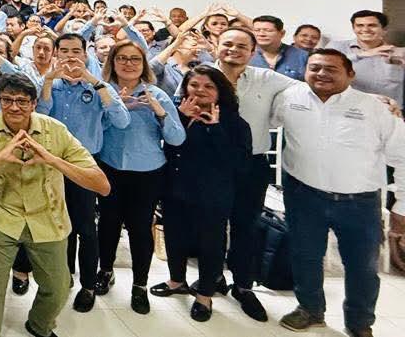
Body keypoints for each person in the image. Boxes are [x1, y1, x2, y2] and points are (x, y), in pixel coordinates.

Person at [0, 74, 111, 337]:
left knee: (59, 287)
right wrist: (0, 156)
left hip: (48, 218)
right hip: (1, 216)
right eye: (7, 100)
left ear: (34, 103)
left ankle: (39, 325)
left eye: (22, 101)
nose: (14, 107)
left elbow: (101, 185)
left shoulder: (55, 130)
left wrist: (51, 159)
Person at [270, 49, 405, 337]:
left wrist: (401, 206)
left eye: (330, 69)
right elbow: (265, 120)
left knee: (361, 267)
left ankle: (360, 323)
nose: (321, 74)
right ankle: (310, 309)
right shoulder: (289, 98)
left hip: (359, 203)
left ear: (350, 74)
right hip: (303, 196)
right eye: (315, 68)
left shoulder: (374, 108)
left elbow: (402, 156)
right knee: (305, 257)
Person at [35, 33, 130, 313]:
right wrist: (48, 81)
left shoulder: (99, 84)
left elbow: (121, 120)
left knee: (86, 228)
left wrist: (94, 82)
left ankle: (88, 285)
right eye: (64, 50)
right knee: (59, 225)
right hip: (52, 163)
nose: (70, 56)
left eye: (76, 50)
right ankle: (63, 277)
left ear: (85, 53)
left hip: (85, 163)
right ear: (56, 54)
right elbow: (40, 116)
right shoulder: (49, 82)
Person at [151, 65, 252, 322]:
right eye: (194, 85)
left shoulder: (235, 122)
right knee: (174, 237)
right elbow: (170, 149)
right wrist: (180, 120)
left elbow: (239, 164)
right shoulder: (178, 115)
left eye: (209, 86)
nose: (200, 91)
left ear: (220, 91)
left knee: (211, 243)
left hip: (213, 195)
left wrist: (214, 128)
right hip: (176, 190)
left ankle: (205, 295)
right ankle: (176, 281)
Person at [210, 27, 295, 321]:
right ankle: (212, 277)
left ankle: (243, 285)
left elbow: (305, 88)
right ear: (216, 45)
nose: (233, 50)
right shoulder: (202, 75)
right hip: (211, 165)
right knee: (211, 225)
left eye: (241, 46)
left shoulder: (267, 78)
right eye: (227, 44)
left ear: (252, 51)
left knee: (246, 226)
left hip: (252, 164)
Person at [96, 41, 185, 314]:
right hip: (109, 168)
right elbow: (93, 129)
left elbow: (177, 138)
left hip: (147, 172)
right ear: (112, 63)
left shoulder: (156, 94)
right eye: (121, 58)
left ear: (144, 64)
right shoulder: (103, 92)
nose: (128, 64)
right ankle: (105, 271)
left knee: (140, 229)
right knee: (108, 225)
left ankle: (139, 285)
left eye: (135, 59)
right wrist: (115, 108)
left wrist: (159, 112)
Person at [327, 10, 403, 106]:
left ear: (384, 29)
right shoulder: (336, 47)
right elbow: (324, 67)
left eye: (372, 25)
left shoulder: (399, 54)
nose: (366, 29)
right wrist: (361, 55)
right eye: (360, 25)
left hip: (390, 110)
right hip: (348, 108)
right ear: (354, 28)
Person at [249, 15, 309, 80]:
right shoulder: (246, 55)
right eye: (257, 30)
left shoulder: (302, 56)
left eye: (268, 30)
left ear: (282, 33)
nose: (261, 34)